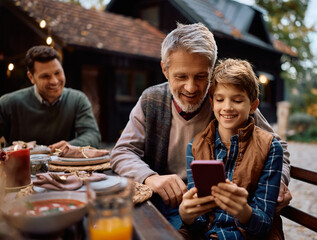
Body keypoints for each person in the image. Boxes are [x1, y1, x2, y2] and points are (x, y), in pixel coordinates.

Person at [110, 23, 291, 230]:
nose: (191, 87)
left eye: (201, 76)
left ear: (211, 70)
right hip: (159, 199)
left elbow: (278, 148)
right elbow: (122, 151)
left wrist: (279, 182)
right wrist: (151, 178)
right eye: (181, 76)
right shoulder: (151, 100)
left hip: (205, 210)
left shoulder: (225, 103)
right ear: (165, 70)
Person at [179, 58, 283, 239]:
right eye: (220, 99)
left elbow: (263, 225)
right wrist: (188, 216)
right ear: (212, 104)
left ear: (253, 106)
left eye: (237, 100)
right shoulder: (195, 146)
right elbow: (198, 224)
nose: (227, 107)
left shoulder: (270, 147)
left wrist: (244, 212)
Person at [0, 45, 101, 150]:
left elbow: (93, 135)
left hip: (63, 165)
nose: (54, 81)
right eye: (45, 76)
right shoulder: (8, 103)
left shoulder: (77, 99)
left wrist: (71, 145)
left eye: (58, 73)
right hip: (21, 165)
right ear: (31, 77)